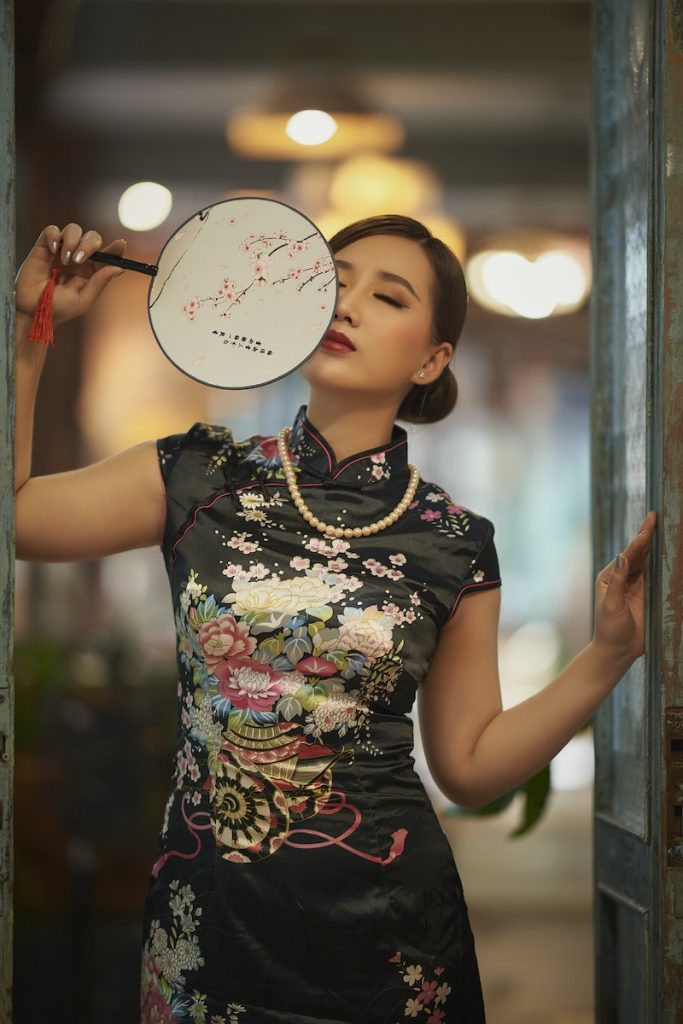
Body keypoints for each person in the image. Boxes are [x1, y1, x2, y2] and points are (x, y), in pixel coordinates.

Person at [14, 214, 656, 1024]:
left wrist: (605, 655)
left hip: (390, 940)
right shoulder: (197, 477)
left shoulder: (453, 541)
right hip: (209, 924)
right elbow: (18, 516)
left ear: (431, 359)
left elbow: (466, 764)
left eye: (386, 296)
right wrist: (29, 328)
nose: (344, 305)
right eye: (331, 282)